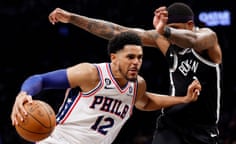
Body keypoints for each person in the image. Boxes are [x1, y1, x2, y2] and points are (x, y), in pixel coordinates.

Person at [48, 2, 223, 144]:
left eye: (175, 28)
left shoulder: (208, 38)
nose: (170, 37)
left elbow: (193, 40)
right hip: (172, 125)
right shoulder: (165, 40)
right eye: (168, 29)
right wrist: (72, 18)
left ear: (190, 25)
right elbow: (118, 31)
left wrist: (165, 31)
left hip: (203, 130)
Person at [11, 31, 201, 144]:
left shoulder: (138, 85)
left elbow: (145, 102)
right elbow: (41, 80)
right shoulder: (91, 74)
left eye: (140, 57)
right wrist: (24, 93)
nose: (136, 62)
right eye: (130, 57)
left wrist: (183, 99)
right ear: (114, 58)